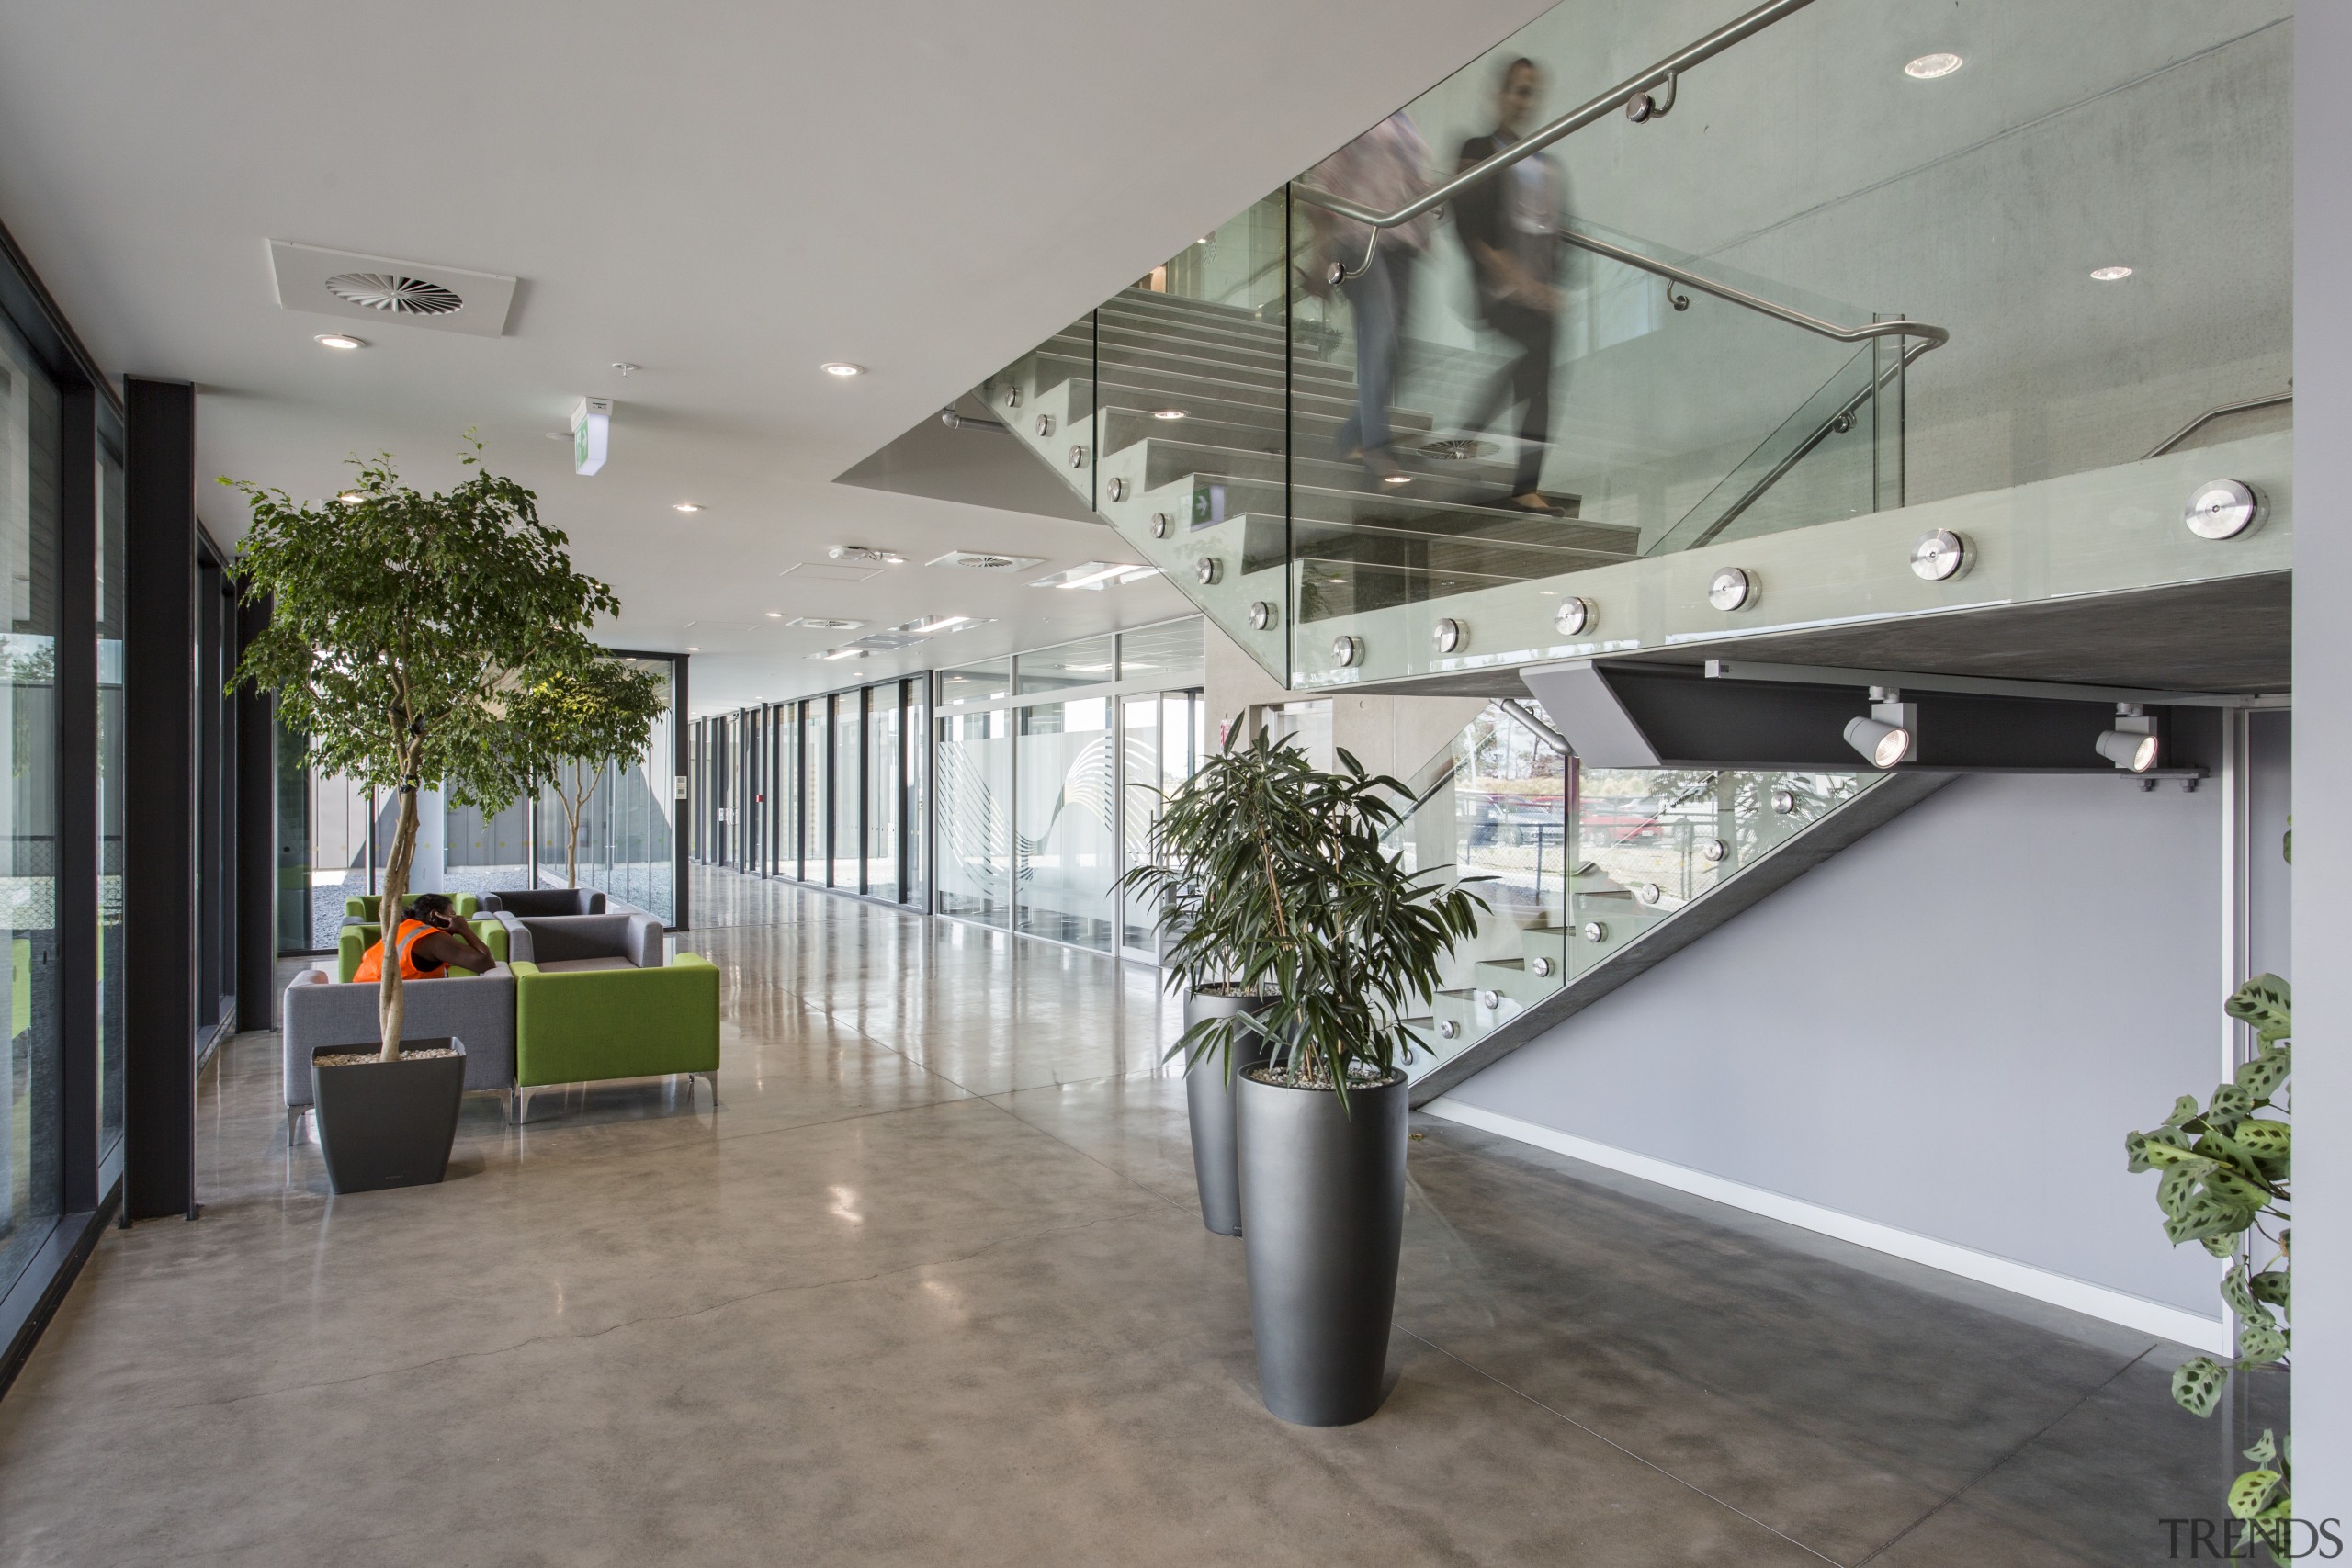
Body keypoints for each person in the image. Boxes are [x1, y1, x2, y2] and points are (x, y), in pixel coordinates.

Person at [1453, 57, 1567, 515]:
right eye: (1518, 91)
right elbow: (1467, 222)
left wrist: (1547, 285)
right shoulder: (1478, 148)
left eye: (1532, 92)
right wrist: (1510, 275)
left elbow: (1559, 234)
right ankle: (1480, 442)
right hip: (1495, 289)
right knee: (1536, 353)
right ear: (1500, 95)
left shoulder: (1544, 157)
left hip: (1537, 294)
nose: (1525, 101)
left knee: (1538, 376)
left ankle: (1513, 474)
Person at [1306, 111, 1433, 488]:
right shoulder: (1357, 110)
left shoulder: (1408, 122)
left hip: (1404, 243)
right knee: (1379, 335)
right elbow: (1322, 188)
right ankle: (1377, 445)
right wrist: (1319, 256)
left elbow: (1419, 186)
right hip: (1359, 240)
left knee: (1397, 347)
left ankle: (1349, 436)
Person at [351, 892, 496, 982]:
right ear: (435, 916)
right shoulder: (431, 939)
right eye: (452, 914)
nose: (456, 918)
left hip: (367, 999)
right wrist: (464, 929)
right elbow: (486, 963)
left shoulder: (404, 928)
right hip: (387, 1009)